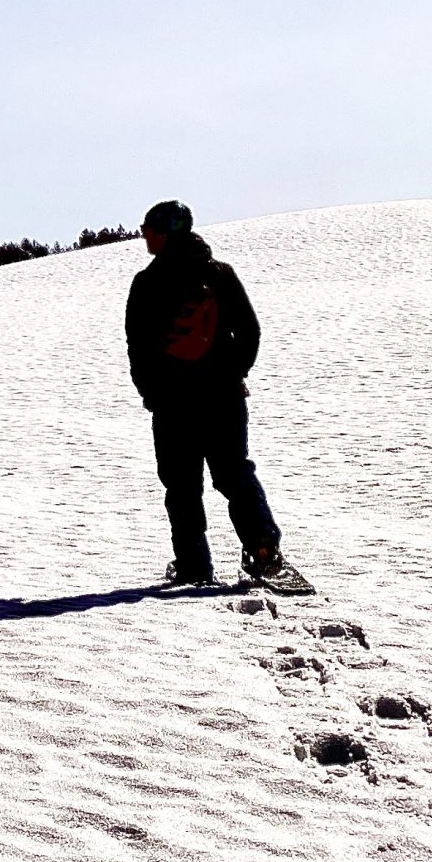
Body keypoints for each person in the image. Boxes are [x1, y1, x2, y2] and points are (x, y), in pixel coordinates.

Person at [125, 199, 286, 586]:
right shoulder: (220, 274)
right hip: (224, 397)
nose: (144, 235)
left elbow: (138, 348)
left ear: (164, 233)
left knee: (181, 484)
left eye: (148, 228)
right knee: (235, 474)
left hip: (173, 403)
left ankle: (194, 564)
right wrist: (233, 373)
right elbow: (250, 331)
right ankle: (263, 550)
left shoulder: (147, 283)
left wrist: (152, 393)